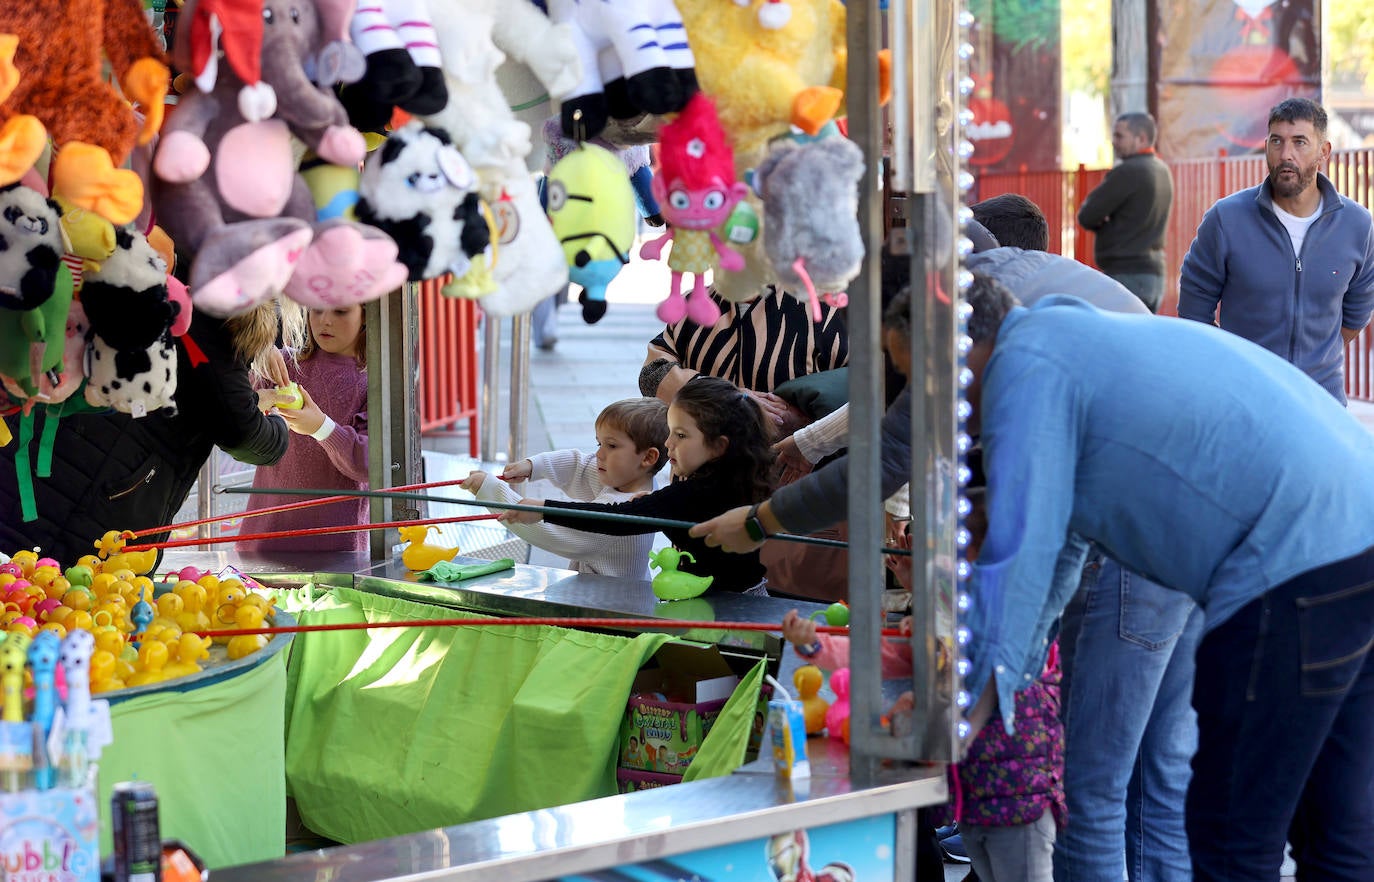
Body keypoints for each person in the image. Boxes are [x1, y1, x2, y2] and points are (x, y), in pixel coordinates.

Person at [956, 272, 1374, 880]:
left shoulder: (1027, 363)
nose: (928, 404)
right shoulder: (1070, 341)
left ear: (961, 347)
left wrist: (964, 712)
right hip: (1357, 532)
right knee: (1336, 832)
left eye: (917, 376)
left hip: (1292, 562)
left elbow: (1022, 550)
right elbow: (1058, 562)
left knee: (1231, 835)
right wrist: (999, 688)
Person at [969, 211, 1200, 882]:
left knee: (1090, 788)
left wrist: (1003, 669)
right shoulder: (1064, 292)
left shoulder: (1021, 348)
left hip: (1145, 553)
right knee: (1161, 775)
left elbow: (1045, 539)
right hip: (1192, 551)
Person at [781, 502, 1066, 882]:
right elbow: (882, 655)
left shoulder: (1016, 628)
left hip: (1018, 803)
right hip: (972, 801)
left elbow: (975, 669)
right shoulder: (947, 621)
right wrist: (816, 645)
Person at [0, 302, 297, 565]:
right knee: (52, 601)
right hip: (104, 489)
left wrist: (257, 348)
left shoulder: (168, 256)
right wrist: (275, 423)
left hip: (45, 433)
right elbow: (239, 430)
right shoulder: (226, 304)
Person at [1178, 97, 1374, 404]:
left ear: (1323, 152)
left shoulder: (1357, 225)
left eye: (1299, 143)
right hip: (1244, 399)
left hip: (1321, 402)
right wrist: (1232, 366)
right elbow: (1193, 309)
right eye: (1276, 141)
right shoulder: (1226, 219)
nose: (1286, 155)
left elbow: (1358, 311)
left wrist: (1316, 359)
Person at [502, 376, 772, 594]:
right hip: (751, 594)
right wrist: (652, 505)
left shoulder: (692, 494)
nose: (669, 444)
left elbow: (616, 520)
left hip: (724, 609)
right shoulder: (738, 477)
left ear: (717, 446)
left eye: (680, 435)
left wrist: (544, 509)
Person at [460, 397, 668, 579]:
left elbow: (548, 530)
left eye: (611, 446)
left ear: (648, 457)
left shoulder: (617, 514)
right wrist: (535, 466)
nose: (599, 454)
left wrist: (489, 489)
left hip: (611, 613)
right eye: (599, 444)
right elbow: (580, 465)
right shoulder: (634, 480)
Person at [239, 305, 370, 553]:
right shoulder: (281, 363)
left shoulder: (374, 379)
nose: (325, 320)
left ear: (365, 314)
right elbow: (230, 408)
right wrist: (255, 353)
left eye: (340, 311)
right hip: (262, 537)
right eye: (317, 310)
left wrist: (321, 427)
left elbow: (369, 462)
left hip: (336, 547)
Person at [639, 284, 848, 437]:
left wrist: (808, 423)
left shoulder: (824, 308)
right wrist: (722, 398)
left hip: (789, 476)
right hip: (700, 477)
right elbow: (652, 374)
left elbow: (861, 385)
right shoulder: (695, 302)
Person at [1075, 112, 1175, 312]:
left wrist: (1103, 221)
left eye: (1120, 136)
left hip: (1127, 275)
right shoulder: (1162, 170)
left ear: (1141, 139)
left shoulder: (1128, 171)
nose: (1113, 142)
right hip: (1154, 277)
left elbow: (1087, 216)